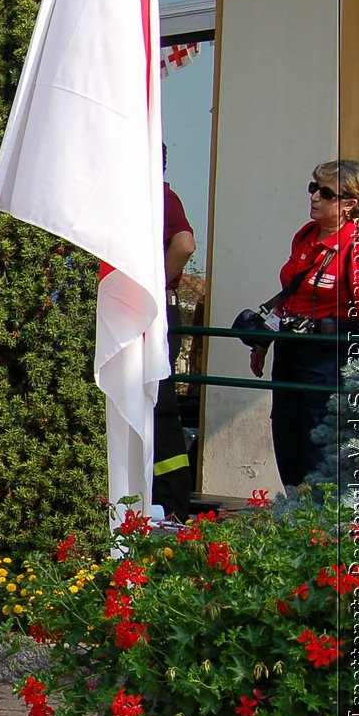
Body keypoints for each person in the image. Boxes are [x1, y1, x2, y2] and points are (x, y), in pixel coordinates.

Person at [248, 160, 359, 487]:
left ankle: (321, 526)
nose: (315, 197)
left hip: (328, 357)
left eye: (326, 192)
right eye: (313, 188)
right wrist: (263, 342)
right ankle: (297, 518)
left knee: (319, 442)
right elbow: (290, 297)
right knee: (286, 432)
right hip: (291, 349)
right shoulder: (304, 237)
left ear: (349, 205)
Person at [152, 150, 197, 520]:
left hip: (152, 310)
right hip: (143, 311)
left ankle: (172, 506)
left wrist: (153, 285)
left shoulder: (161, 196)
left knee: (160, 406)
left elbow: (184, 245)